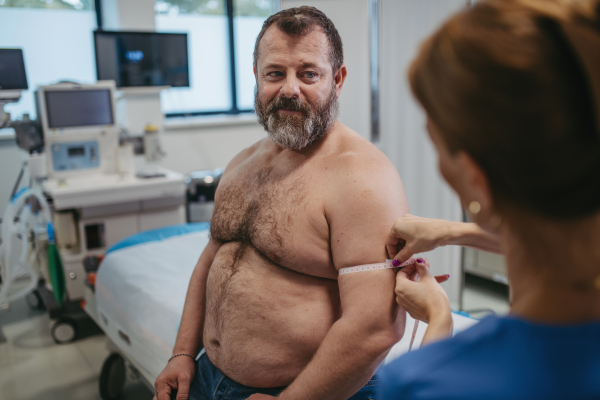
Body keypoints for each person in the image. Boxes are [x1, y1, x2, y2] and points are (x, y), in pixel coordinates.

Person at [154, 7, 447, 400]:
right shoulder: (242, 164)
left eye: (308, 74)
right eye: (275, 73)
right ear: (256, 76)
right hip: (207, 375)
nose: (289, 89)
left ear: (338, 79)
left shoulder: (361, 177)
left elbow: (375, 327)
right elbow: (211, 260)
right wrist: (183, 353)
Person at [380, 0, 600, 398]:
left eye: (440, 148)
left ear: (477, 180)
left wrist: (438, 319)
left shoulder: (426, 382)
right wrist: (448, 231)